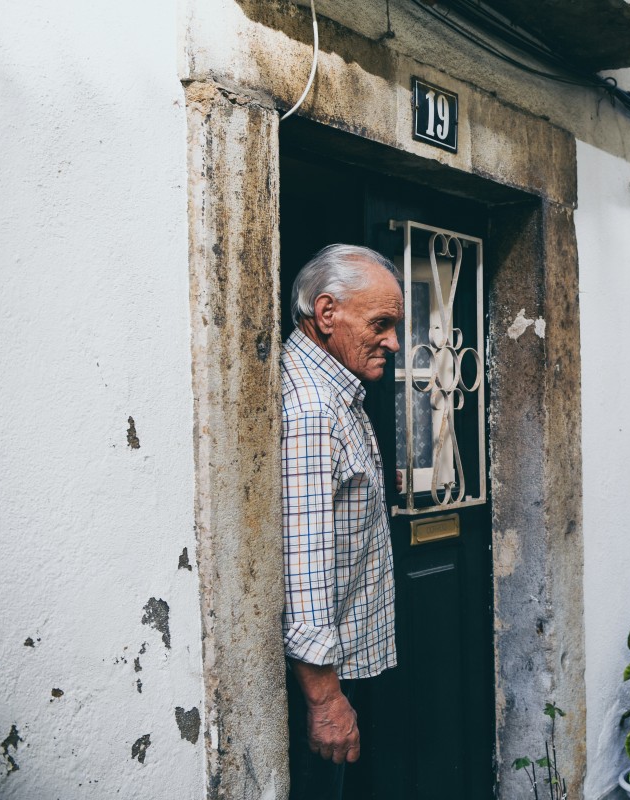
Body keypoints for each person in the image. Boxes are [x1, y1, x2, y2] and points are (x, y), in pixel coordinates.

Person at [281, 244, 403, 799]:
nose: (394, 342)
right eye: (381, 324)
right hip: (328, 683)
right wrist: (325, 700)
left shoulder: (337, 394)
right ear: (326, 314)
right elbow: (302, 570)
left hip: (350, 665)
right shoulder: (312, 409)